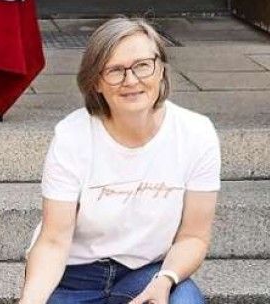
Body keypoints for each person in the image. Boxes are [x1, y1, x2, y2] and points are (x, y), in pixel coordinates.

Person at [20, 17, 220, 304]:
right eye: (115, 70)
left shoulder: (196, 134)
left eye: (142, 65)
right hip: (73, 275)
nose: (131, 80)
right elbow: (53, 240)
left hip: (146, 271)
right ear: (96, 82)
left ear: (160, 68)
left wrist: (166, 279)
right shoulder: (72, 136)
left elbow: (194, 236)